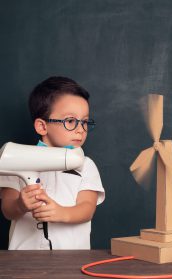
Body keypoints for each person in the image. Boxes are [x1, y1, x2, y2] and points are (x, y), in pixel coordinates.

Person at [0, 76, 105, 250]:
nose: (81, 129)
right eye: (70, 121)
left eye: (85, 122)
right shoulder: (17, 160)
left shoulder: (86, 165)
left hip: (71, 259)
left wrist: (61, 213)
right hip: (23, 260)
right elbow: (7, 209)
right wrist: (21, 204)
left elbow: (87, 208)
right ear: (42, 126)